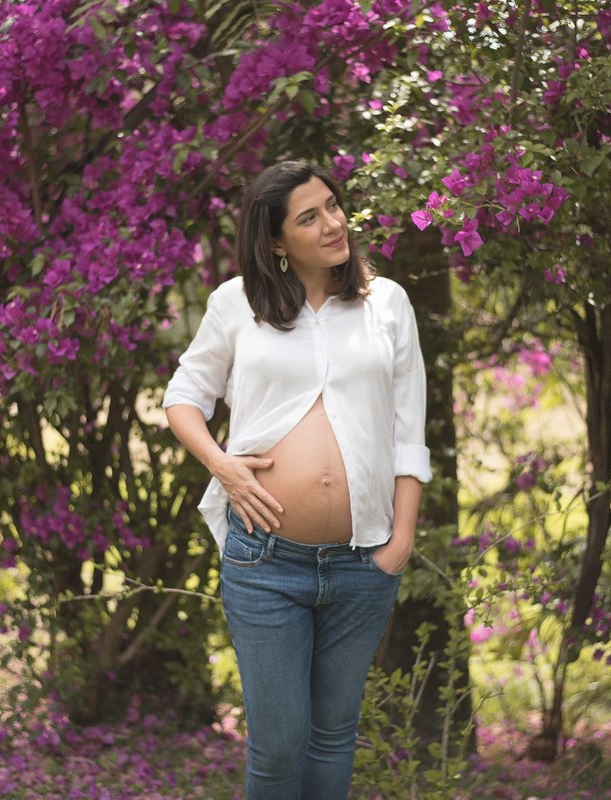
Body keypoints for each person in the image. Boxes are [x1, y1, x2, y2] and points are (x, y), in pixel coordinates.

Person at [162, 160, 431, 800]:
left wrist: (399, 544)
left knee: (334, 734)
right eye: (309, 217)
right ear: (277, 241)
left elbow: (408, 434)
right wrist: (223, 466)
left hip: (365, 561)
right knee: (279, 746)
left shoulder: (385, 303)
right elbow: (183, 397)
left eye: (333, 206)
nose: (333, 222)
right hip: (265, 560)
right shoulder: (236, 304)